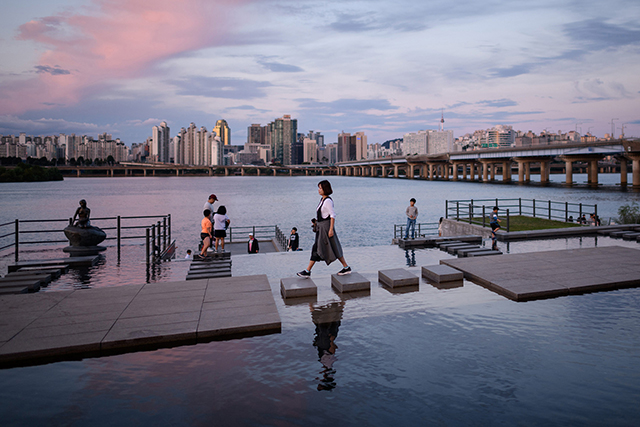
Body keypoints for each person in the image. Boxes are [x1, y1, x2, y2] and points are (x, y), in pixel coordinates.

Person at [297, 180, 351, 277]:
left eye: (320, 188)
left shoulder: (328, 201)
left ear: (325, 189)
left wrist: (330, 229)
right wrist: (316, 223)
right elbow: (324, 215)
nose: (318, 190)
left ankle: (307, 271)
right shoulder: (322, 200)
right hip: (321, 228)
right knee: (329, 247)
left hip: (325, 229)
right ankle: (346, 267)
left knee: (323, 247)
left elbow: (332, 215)